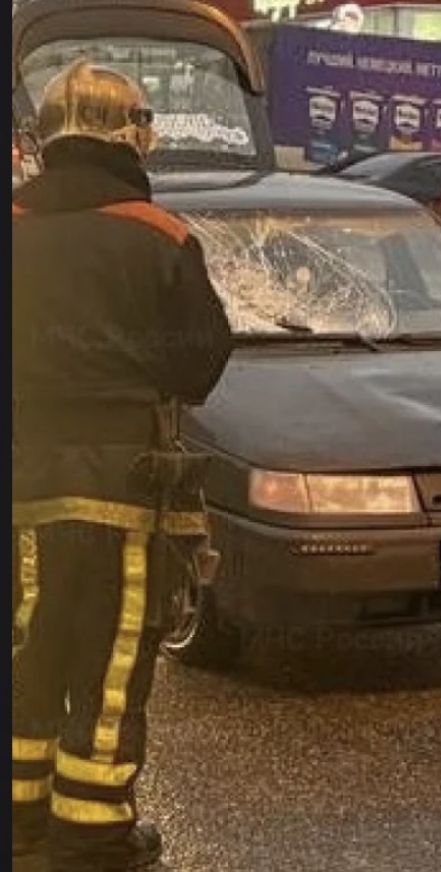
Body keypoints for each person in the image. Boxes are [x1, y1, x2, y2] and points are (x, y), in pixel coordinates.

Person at [12, 59, 234, 870]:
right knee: (107, 658)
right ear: (130, 134)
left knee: (28, 646)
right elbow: (199, 366)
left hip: (24, 476)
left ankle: (21, 817)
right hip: (121, 485)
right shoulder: (160, 236)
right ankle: (93, 831)